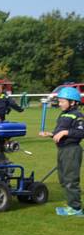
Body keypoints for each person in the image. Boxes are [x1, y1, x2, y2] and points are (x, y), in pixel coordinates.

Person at [40, 87, 84, 215]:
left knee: (70, 179)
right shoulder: (63, 114)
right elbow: (59, 132)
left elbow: (81, 132)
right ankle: (71, 203)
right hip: (62, 150)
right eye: (59, 101)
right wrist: (50, 134)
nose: (59, 104)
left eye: (62, 101)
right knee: (63, 179)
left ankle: (75, 208)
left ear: (73, 102)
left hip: (72, 150)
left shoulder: (78, 115)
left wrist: (66, 132)